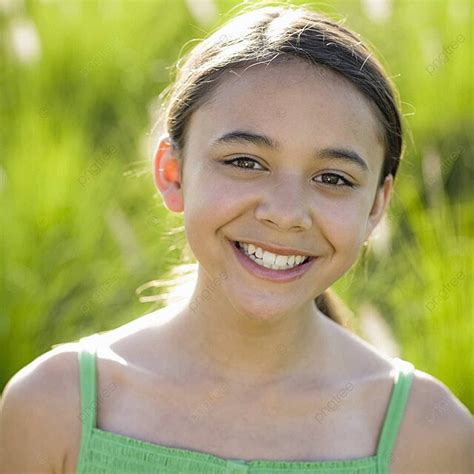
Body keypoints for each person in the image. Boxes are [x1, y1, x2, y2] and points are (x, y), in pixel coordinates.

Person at [1, 3, 472, 474]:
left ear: (376, 205)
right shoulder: (54, 410)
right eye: (245, 162)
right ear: (171, 172)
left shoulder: (430, 435)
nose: (286, 214)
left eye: (333, 177)